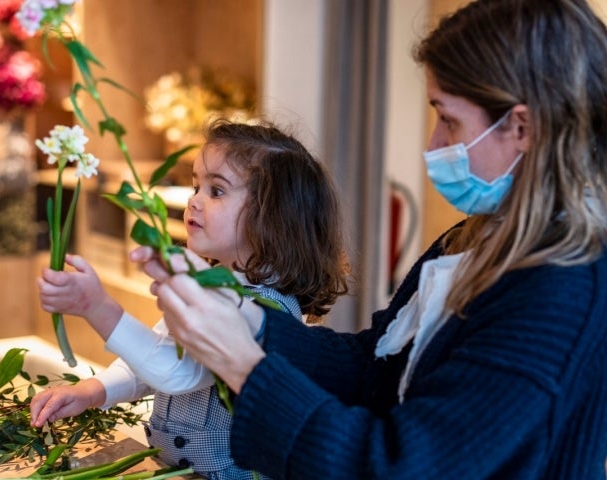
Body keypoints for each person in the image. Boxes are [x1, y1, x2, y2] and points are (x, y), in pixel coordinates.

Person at [134, 1, 607, 478]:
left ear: (521, 128)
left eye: (448, 120)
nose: (433, 145)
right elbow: (374, 366)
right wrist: (242, 312)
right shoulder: (469, 240)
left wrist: (242, 365)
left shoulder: (562, 291)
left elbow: (401, 466)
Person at [30, 119, 350, 480]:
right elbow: (152, 357)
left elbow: (176, 371)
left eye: (216, 191)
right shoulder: (214, 285)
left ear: (272, 217)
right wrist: (95, 390)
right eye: (196, 185)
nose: (193, 200)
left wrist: (97, 308)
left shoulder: (266, 311)